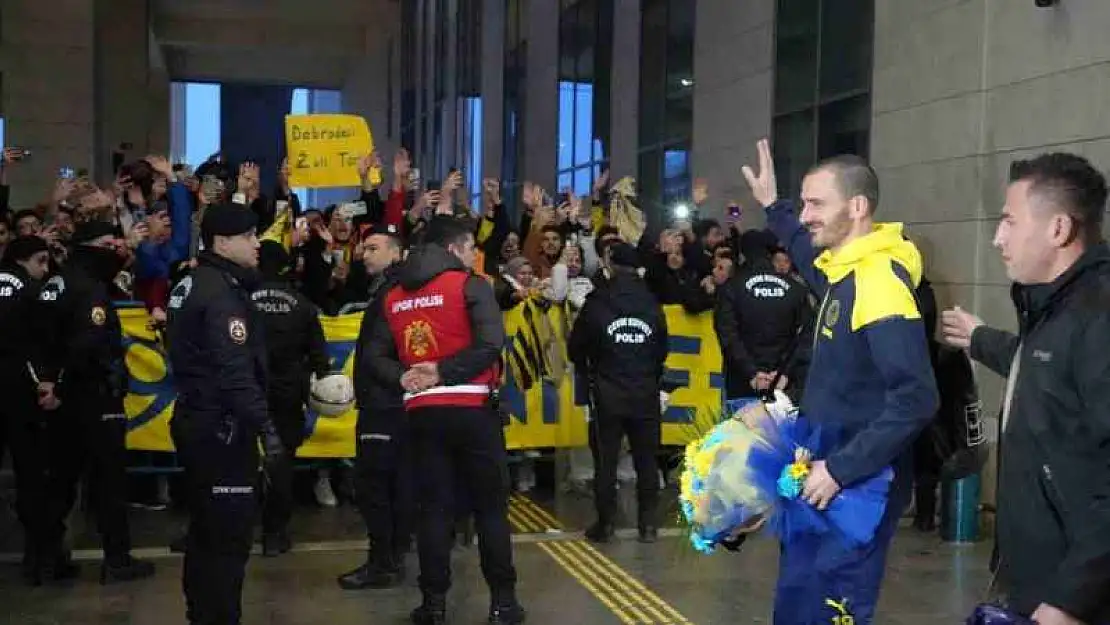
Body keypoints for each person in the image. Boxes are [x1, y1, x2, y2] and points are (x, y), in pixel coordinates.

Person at [741, 138, 939, 623]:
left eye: (815, 204)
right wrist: (773, 206)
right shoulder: (844, 272)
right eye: (803, 203)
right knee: (799, 596)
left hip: (855, 484)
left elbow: (916, 398)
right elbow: (807, 257)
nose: (806, 215)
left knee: (832, 605)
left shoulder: (879, 284)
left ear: (857, 207)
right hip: (822, 472)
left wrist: (841, 469)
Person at [941, 153, 1110, 625]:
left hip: (1077, 594)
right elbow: (1043, 366)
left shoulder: (1098, 315)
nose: (997, 238)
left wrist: (1069, 600)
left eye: (1009, 221)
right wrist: (980, 340)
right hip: (1036, 578)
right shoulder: (1054, 308)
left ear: (1058, 229)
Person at [365, 216, 524, 625]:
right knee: (490, 509)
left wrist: (405, 376)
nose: (474, 255)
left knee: (433, 511)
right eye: (471, 247)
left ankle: (433, 605)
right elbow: (491, 343)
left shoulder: (393, 295)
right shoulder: (470, 285)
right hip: (473, 409)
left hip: (421, 413)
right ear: (454, 248)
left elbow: (373, 356)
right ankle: (503, 603)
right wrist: (444, 371)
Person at [166, 203, 285, 625]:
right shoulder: (220, 293)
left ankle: (202, 614)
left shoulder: (193, 282)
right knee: (227, 539)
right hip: (221, 428)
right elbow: (233, 370)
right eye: (250, 236)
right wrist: (265, 426)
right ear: (222, 241)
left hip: (197, 419)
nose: (258, 244)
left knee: (205, 532)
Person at [34, 221, 156, 585]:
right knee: (108, 483)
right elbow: (85, 346)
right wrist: (63, 384)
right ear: (90, 247)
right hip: (91, 396)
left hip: (58, 397)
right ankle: (117, 560)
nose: (116, 248)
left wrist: (49, 384)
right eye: (108, 243)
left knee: (59, 482)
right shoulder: (90, 289)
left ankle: (46, 559)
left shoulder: (54, 283)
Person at [567, 242, 669, 544]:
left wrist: (595, 365)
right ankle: (648, 525)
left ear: (610, 264)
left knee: (606, 461)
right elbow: (662, 349)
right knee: (646, 460)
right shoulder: (651, 302)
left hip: (608, 391)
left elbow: (576, 348)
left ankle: (606, 524)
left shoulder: (598, 301)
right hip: (645, 390)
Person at [339, 224, 414, 590]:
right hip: (390, 400)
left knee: (375, 486)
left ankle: (383, 562)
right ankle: (393, 556)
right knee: (393, 485)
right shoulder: (388, 290)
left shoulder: (393, 294)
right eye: (363, 248)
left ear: (397, 253)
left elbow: (381, 354)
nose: (363, 254)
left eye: (373, 248)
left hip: (385, 403)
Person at [251, 240, 331, 557]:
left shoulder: (239, 300)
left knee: (238, 462)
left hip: (245, 390)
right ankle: (274, 535)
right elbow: (319, 359)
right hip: (287, 393)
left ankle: (233, 531)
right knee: (281, 463)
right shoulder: (302, 305)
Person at [0, 236, 55, 583]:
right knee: (31, 475)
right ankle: (39, 558)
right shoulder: (32, 293)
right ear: (24, 261)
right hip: (20, 394)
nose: (45, 270)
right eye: (41, 262)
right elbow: (41, 342)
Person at [714, 229, 811, 402]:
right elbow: (807, 334)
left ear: (743, 254)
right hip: (783, 385)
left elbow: (727, 335)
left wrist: (751, 373)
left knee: (739, 428)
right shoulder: (796, 289)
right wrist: (785, 373)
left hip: (741, 383)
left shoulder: (732, 288)